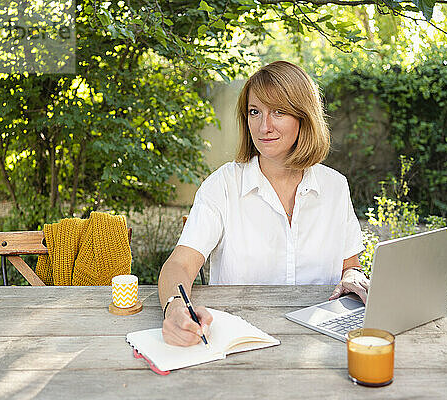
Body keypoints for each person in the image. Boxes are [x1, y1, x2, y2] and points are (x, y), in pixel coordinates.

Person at [158, 61, 369, 346]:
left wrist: (354, 277)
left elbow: (350, 266)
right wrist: (174, 308)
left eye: (278, 112)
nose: (263, 126)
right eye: (254, 112)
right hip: (239, 340)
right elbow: (179, 265)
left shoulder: (335, 186)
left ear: (303, 117)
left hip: (321, 342)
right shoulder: (223, 185)